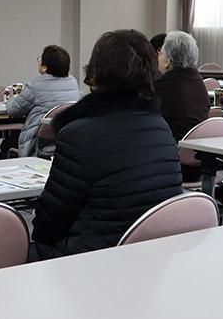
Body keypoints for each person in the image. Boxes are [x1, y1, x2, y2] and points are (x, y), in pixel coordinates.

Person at [29, 29, 183, 260]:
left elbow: (50, 223)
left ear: (97, 72)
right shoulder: (160, 126)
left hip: (93, 260)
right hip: (152, 255)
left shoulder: (79, 134)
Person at [5, 45, 81, 157]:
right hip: (64, 141)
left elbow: (14, 110)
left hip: (37, 143)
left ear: (45, 67)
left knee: (6, 143)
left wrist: (11, 99)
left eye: (40, 60)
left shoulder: (36, 85)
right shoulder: (73, 82)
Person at [154, 31, 209, 142]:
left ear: (167, 61)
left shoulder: (162, 86)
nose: (158, 57)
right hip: (198, 146)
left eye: (161, 53)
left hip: (171, 147)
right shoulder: (198, 81)